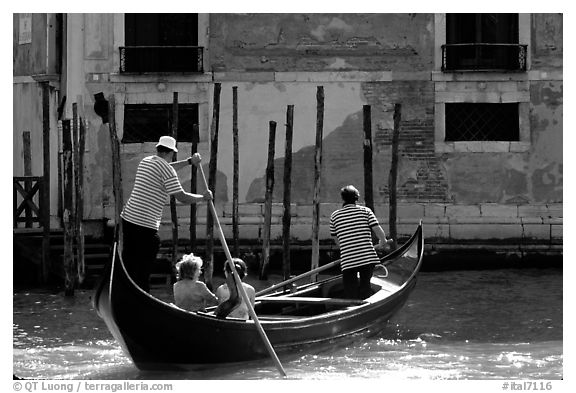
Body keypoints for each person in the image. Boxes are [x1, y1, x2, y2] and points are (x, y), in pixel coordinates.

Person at [120, 135, 212, 292]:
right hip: (145, 225)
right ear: (171, 152)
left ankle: (126, 291)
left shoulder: (147, 162)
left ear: (158, 149)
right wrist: (203, 197)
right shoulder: (167, 170)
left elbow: (169, 168)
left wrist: (189, 162)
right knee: (143, 267)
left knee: (129, 262)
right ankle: (141, 295)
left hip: (128, 219)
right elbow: (182, 197)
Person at [329, 185, 391, 300]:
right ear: (356, 198)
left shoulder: (334, 216)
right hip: (367, 257)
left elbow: (337, 241)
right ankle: (365, 308)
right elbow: (378, 230)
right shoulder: (366, 211)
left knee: (350, 291)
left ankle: (349, 309)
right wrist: (383, 241)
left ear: (343, 199)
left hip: (348, 259)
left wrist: (347, 248)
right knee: (365, 287)